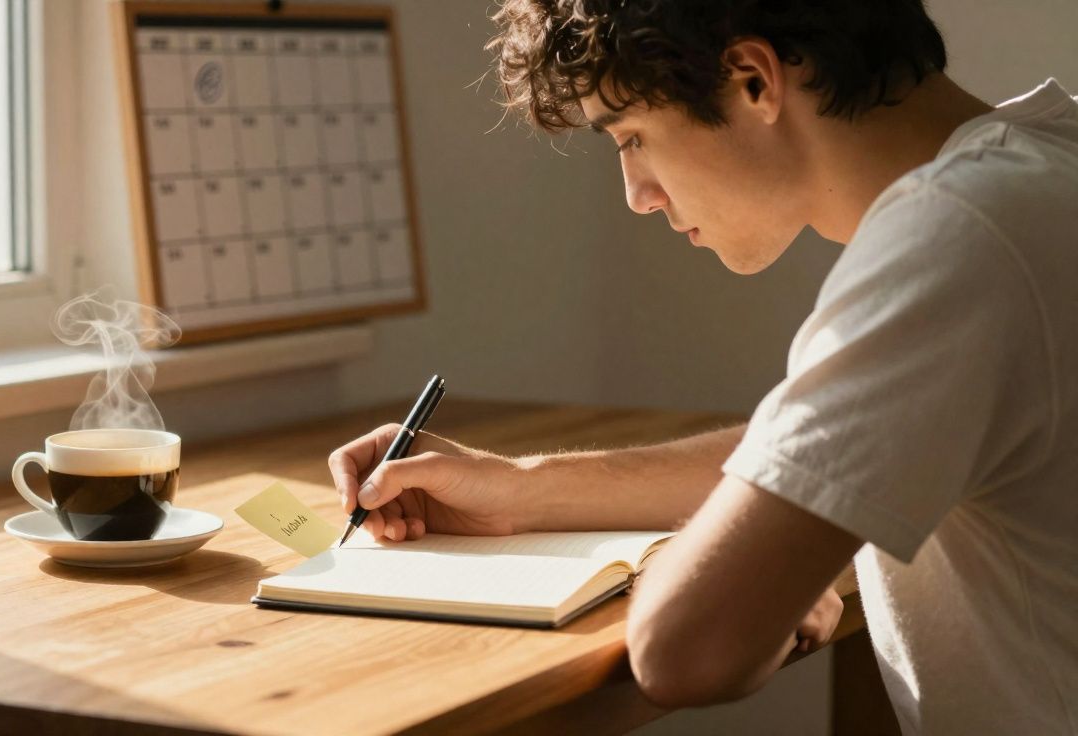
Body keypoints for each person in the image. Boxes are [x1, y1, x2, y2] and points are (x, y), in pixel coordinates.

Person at [327, 1, 1078, 733]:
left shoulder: (959, 240)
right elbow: (824, 450)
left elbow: (685, 650)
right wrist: (522, 487)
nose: (636, 196)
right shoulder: (1043, 167)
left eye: (631, 137)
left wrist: (731, 578)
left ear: (753, 79)